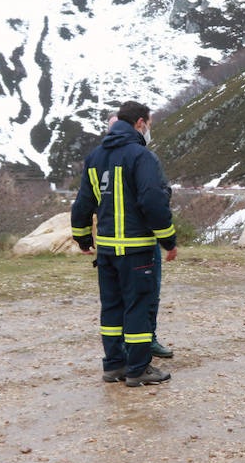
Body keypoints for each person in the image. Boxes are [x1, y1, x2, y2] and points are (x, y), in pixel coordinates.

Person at [71, 102, 177, 387]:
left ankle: (114, 366)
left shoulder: (95, 157)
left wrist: (82, 237)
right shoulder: (141, 157)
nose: (149, 129)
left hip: (106, 252)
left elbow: (83, 202)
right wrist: (169, 240)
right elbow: (153, 202)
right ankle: (139, 369)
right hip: (137, 250)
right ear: (140, 122)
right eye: (149, 124)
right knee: (138, 308)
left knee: (112, 309)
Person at [104, 112, 175, 361]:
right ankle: (132, 357)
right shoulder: (103, 158)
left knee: (148, 295)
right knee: (126, 300)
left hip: (141, 240)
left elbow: (160, 191)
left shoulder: (145, 157)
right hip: (122, 244)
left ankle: (145, 342)